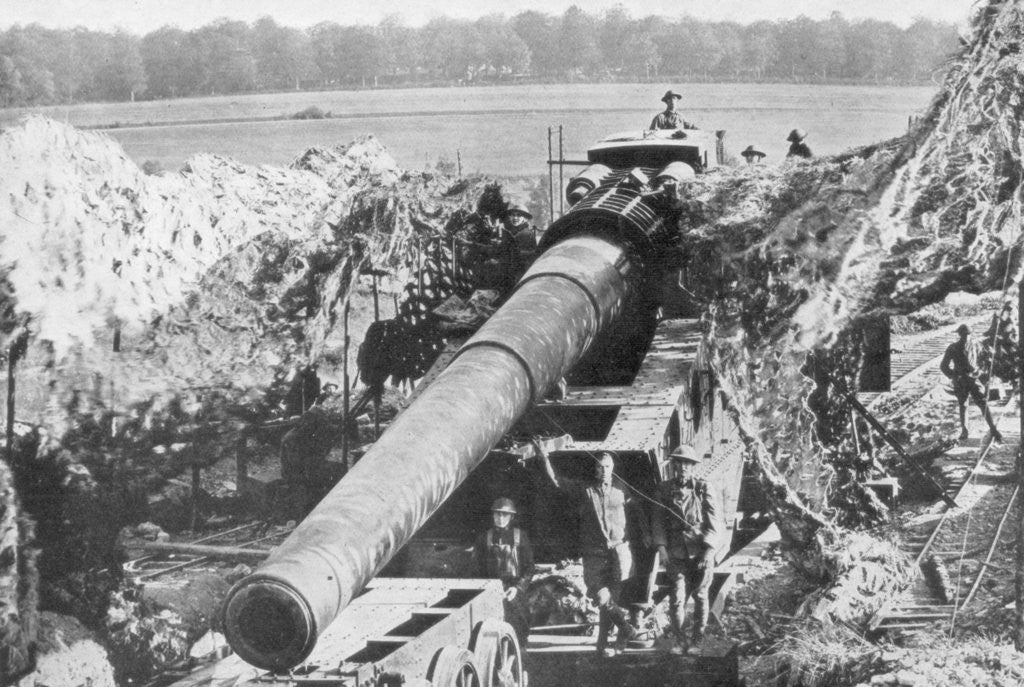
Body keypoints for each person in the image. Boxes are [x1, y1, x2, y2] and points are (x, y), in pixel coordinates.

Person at [533, 441, 639, 657]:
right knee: (602, 597)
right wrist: (544, 458)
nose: (604, 470)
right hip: (594, 554)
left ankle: (603, 646)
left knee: (611, 602)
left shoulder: (622, 490)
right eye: (600, 466)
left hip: (618, 553)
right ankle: (627, 629)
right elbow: (557, 482)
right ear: (595, 469)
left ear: (613, 468)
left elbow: (636, 515)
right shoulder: (586, 490)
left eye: (607, 466)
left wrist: (641, 538)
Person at [652, 445, 720, 655]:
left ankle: (697, 640)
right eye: (679, 463)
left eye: (687, 463)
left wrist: (708, 552)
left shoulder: (703, 488)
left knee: (700, 595)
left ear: (693, 466)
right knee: (677, 598)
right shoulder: (664, 489)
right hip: (676, 552)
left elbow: (715, 522)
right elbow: (657, 522)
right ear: (674, 465)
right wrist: (662, 548)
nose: (683, 467)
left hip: (700, 552)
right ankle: (680, 640)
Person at [474, 497, 535, 648]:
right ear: (493, 515)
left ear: (511, 517)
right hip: (491, 589)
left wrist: (518, 588)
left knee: (519, 628)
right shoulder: (484, 537)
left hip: (514, 590)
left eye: (505, 514)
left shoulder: (520, 536)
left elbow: (529, 568)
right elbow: (478, 568)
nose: (500, 518)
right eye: (497, 514)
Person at [940, 323, 1003, 441]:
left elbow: (984, 359)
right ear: (959, 335)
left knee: (982, 403)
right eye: (963, 334)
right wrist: (954, 376)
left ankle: (993, 429)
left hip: (974, 379)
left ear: (971, 335)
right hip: (961, 381)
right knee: (963, 405)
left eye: (968, 334)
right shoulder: (953, 348)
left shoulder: (976, 345)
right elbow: (943, 366)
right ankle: (964, 431)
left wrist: (982, 370)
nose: (966, 336)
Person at [505, 202, 540, 267]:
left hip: (523, 268)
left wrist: (518, 253)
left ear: (525, 218)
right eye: (513, 215)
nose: (515, 218)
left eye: (519, 215)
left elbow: (533, 254)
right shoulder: (511, 232)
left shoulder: (527, 234)